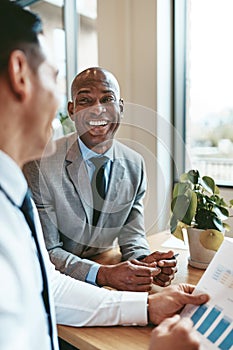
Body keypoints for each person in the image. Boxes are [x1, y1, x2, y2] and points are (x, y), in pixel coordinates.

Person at [0, 2, 209, 350]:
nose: (96, 111)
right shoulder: (30, 173)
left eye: (106, 100)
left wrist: (146, 301)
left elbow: (47, 284)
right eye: (54, 77)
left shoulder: (10, 188)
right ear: (20, 73)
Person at [24, 66, 178, 292]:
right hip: (56, 285)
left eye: (107, 99)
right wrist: (103, 274)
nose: (97, 110)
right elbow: (48, 251)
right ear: (72, 110)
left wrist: (145, 263)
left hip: (106, 269)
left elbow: (131, 234)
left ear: (120, 108)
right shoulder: (39, 164)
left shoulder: (135, 164)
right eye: (85, 100)